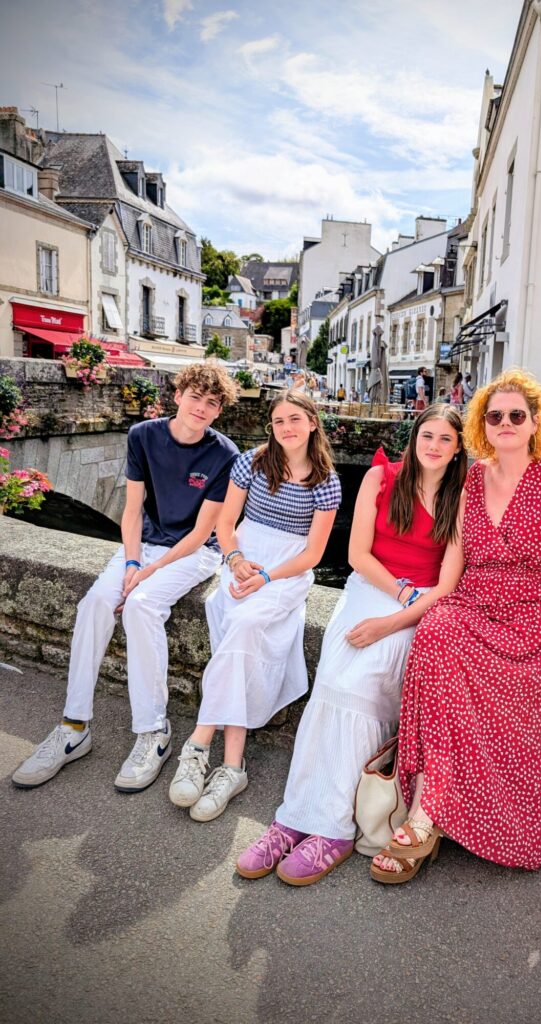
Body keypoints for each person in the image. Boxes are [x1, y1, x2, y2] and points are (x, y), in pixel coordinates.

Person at [371, 368, 541, 882]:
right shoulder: (471, 479)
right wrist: (405, 615)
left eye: (517, 414)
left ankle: (453, 821)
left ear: (535, 420)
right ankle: (427, 813)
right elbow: (452, 565)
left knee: (512, 701)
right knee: (435, 632)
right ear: (483, 423)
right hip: (474, 603)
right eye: (494, 415)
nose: (505, 423)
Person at [234, 405, 467, 884]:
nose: (434, 447)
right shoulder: (380, 477)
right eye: (428, 436)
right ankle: (294, 817)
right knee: (333, 682)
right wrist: (394, 594)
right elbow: (357, 555)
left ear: (458, 447)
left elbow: (447, 584)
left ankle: (334, 826)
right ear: (414, 438)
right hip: (371, 588)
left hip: (418, 608)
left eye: (445, 439)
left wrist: (394, 620)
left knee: (359, 682)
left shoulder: (461, 497)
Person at [12, 364, 240, 791]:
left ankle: (154, 732)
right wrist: (133, 563)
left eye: (212, 403)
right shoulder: (143, 436)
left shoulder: (224, 454)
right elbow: (132, 509)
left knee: (141, 605)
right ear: (178, 395)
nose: (202, 408)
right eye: (195, 397)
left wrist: (148, 573)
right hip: (144, 545)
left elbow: (200, 534)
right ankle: (73, 726)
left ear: (218, 411)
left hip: (194, 554)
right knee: (96, 602)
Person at [168, 390, 341, 821]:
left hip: (287, 569)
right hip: (244, 555)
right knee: (239, 630)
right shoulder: (251, 461)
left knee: (243, 627)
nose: (287, 428)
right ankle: (232, 766)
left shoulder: (326, 481)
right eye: (279, 420)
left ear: (312, 423)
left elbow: (314, 554)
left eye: (295, 419)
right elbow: (226, 524)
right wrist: (236, 560)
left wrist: (266, 576)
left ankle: (198, 742)